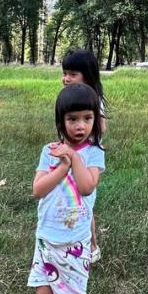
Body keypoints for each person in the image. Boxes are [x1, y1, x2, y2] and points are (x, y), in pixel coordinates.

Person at [28, 83, 105, 294]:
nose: (80, 126)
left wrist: (73, 157)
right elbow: (37, 189)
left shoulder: (94, 153)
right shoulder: (49, 152)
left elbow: (86, 187)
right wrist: (61, 167)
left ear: (95, 119)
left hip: (75, 242)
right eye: (72, 119)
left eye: (87, 118)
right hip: (47, 239)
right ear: (61, 120)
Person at [60, 48, 106, 261]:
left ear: (86, 75)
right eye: (65, 73)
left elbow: (101, 128)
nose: (66, 78)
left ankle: (92, 247)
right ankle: (72, 240)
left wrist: (83, 135)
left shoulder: (93, 99)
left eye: (72, 74)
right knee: (72, 201)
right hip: (70, 157)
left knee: (85, 203)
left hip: (87, 159)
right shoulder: (71, 97)